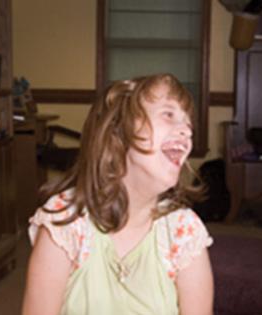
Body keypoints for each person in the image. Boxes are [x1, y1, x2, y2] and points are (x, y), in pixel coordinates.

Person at [22, 73, 214, 315]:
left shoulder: (184, 232)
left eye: (188, 122)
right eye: (168, 114)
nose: (186, 130)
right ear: (118, 132)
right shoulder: (65, 223)